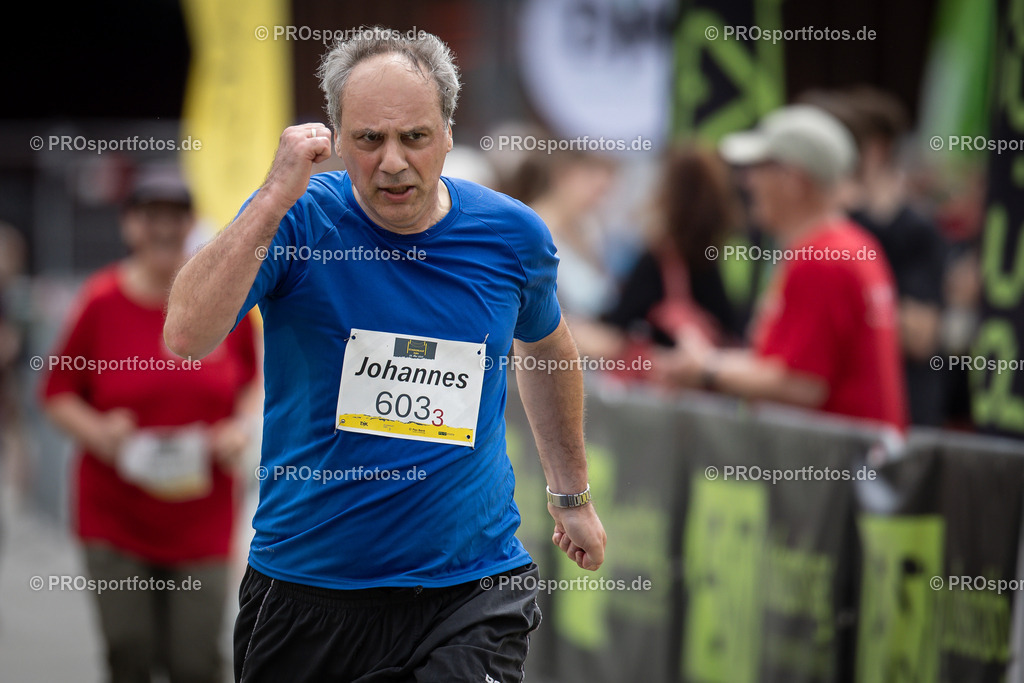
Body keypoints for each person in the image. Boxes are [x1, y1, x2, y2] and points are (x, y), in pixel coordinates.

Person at [163, 30, 606, 682]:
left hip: (470, 588)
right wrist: (272, 196)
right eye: (369, 139)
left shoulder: (510, 235)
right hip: (310, 592)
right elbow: (186, 335)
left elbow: (545, 346)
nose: (393, 161)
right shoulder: (298, 221)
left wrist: (570, 494)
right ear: (338, 140)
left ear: (448, 134)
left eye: (414, 137)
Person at [41, 168, 261, 683]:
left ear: (191, 224)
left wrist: (239, 429)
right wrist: (98, 432)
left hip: (201, 515)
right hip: (116, 513)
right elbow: (56, 394)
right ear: (128, 225)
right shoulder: (100, 301)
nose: (163, 228)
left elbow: (253, 382)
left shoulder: (218, 298)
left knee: (195, 661)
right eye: (150, 216)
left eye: (175, 216)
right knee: (128, 652)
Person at [661, 105, 908, 431]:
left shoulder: (822, 258)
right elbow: (794, 367)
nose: (747, 181)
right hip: (853, 456)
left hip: (836, 459)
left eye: (759, 167)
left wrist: (707, 370)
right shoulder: (853, 246)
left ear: (794, 180)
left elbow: (802, 384)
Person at [803, 87, 949, 425]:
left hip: (904, 414)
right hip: (841, 417)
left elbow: (921, 335)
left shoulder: (916, 231)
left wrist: (850, 312)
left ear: (876, 149)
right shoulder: (831, 226)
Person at [572, 146, 741, 371]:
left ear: (667, 192)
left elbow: (616, 330)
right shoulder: (720, 258)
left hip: (669, 385)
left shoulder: (659, 260)